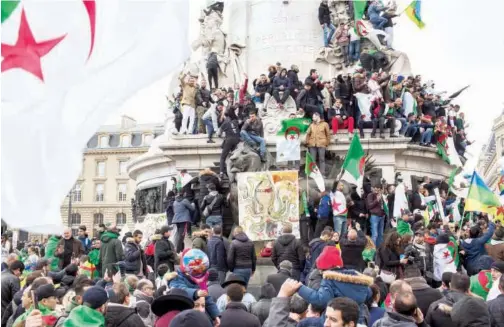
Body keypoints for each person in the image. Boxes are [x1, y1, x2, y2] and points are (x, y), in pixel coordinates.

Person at [295, 246, 373, 319]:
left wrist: (300, 288)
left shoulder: (329, 279)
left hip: (338, 318)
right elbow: (368, 293)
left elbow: (321, 300)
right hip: (359, 318)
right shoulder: (357, 277)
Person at [167, 249, 220, 325]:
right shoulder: (176, 277)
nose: (197, 271)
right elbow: (181, 290)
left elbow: (207, 297)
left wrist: (216, 315)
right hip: (184, 318)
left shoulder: (197, 278)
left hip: (198, 315)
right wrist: (195, 293)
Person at [217, 108, 241, 177]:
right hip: (237, 140)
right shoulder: (235, 121)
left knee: (222, 157)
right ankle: (236, 169)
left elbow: (218, 134)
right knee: (235, 157)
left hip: (229, 140)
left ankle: (221, 172)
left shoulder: (225, 123)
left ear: (225, 116)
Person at [305, 112, 330, 177]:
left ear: (318, 116)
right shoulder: (311, 125)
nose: (312, 118)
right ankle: (314, 174)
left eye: (313, 117)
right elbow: (308, 134)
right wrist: (307, 142)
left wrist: (326, 143)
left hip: (322, 144)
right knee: (313, 160)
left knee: (322, 159)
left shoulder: (325, 124)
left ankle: (322, 174)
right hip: (312, 145)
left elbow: (328, 134)